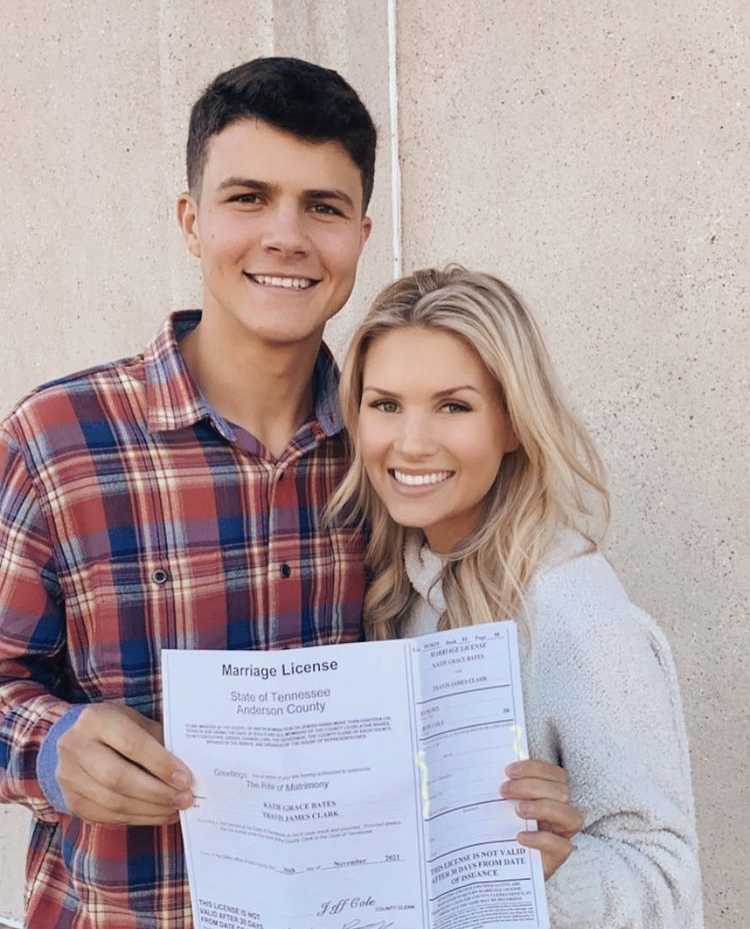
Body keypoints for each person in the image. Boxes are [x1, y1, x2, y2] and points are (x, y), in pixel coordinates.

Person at [0, 57, 375, 928]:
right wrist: (49, 748)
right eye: (249, 197)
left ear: (361, 233)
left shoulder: (392, 454)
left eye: (323, 207)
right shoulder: (58, 439)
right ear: (192, 221)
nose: (286, 236)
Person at [329, 265, 704, 927]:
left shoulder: (570, 607)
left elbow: (668, 884)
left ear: (512, 422)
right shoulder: (399, 577)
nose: (411, 443)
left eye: (454, 405)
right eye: (385, 404)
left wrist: (551, 869)